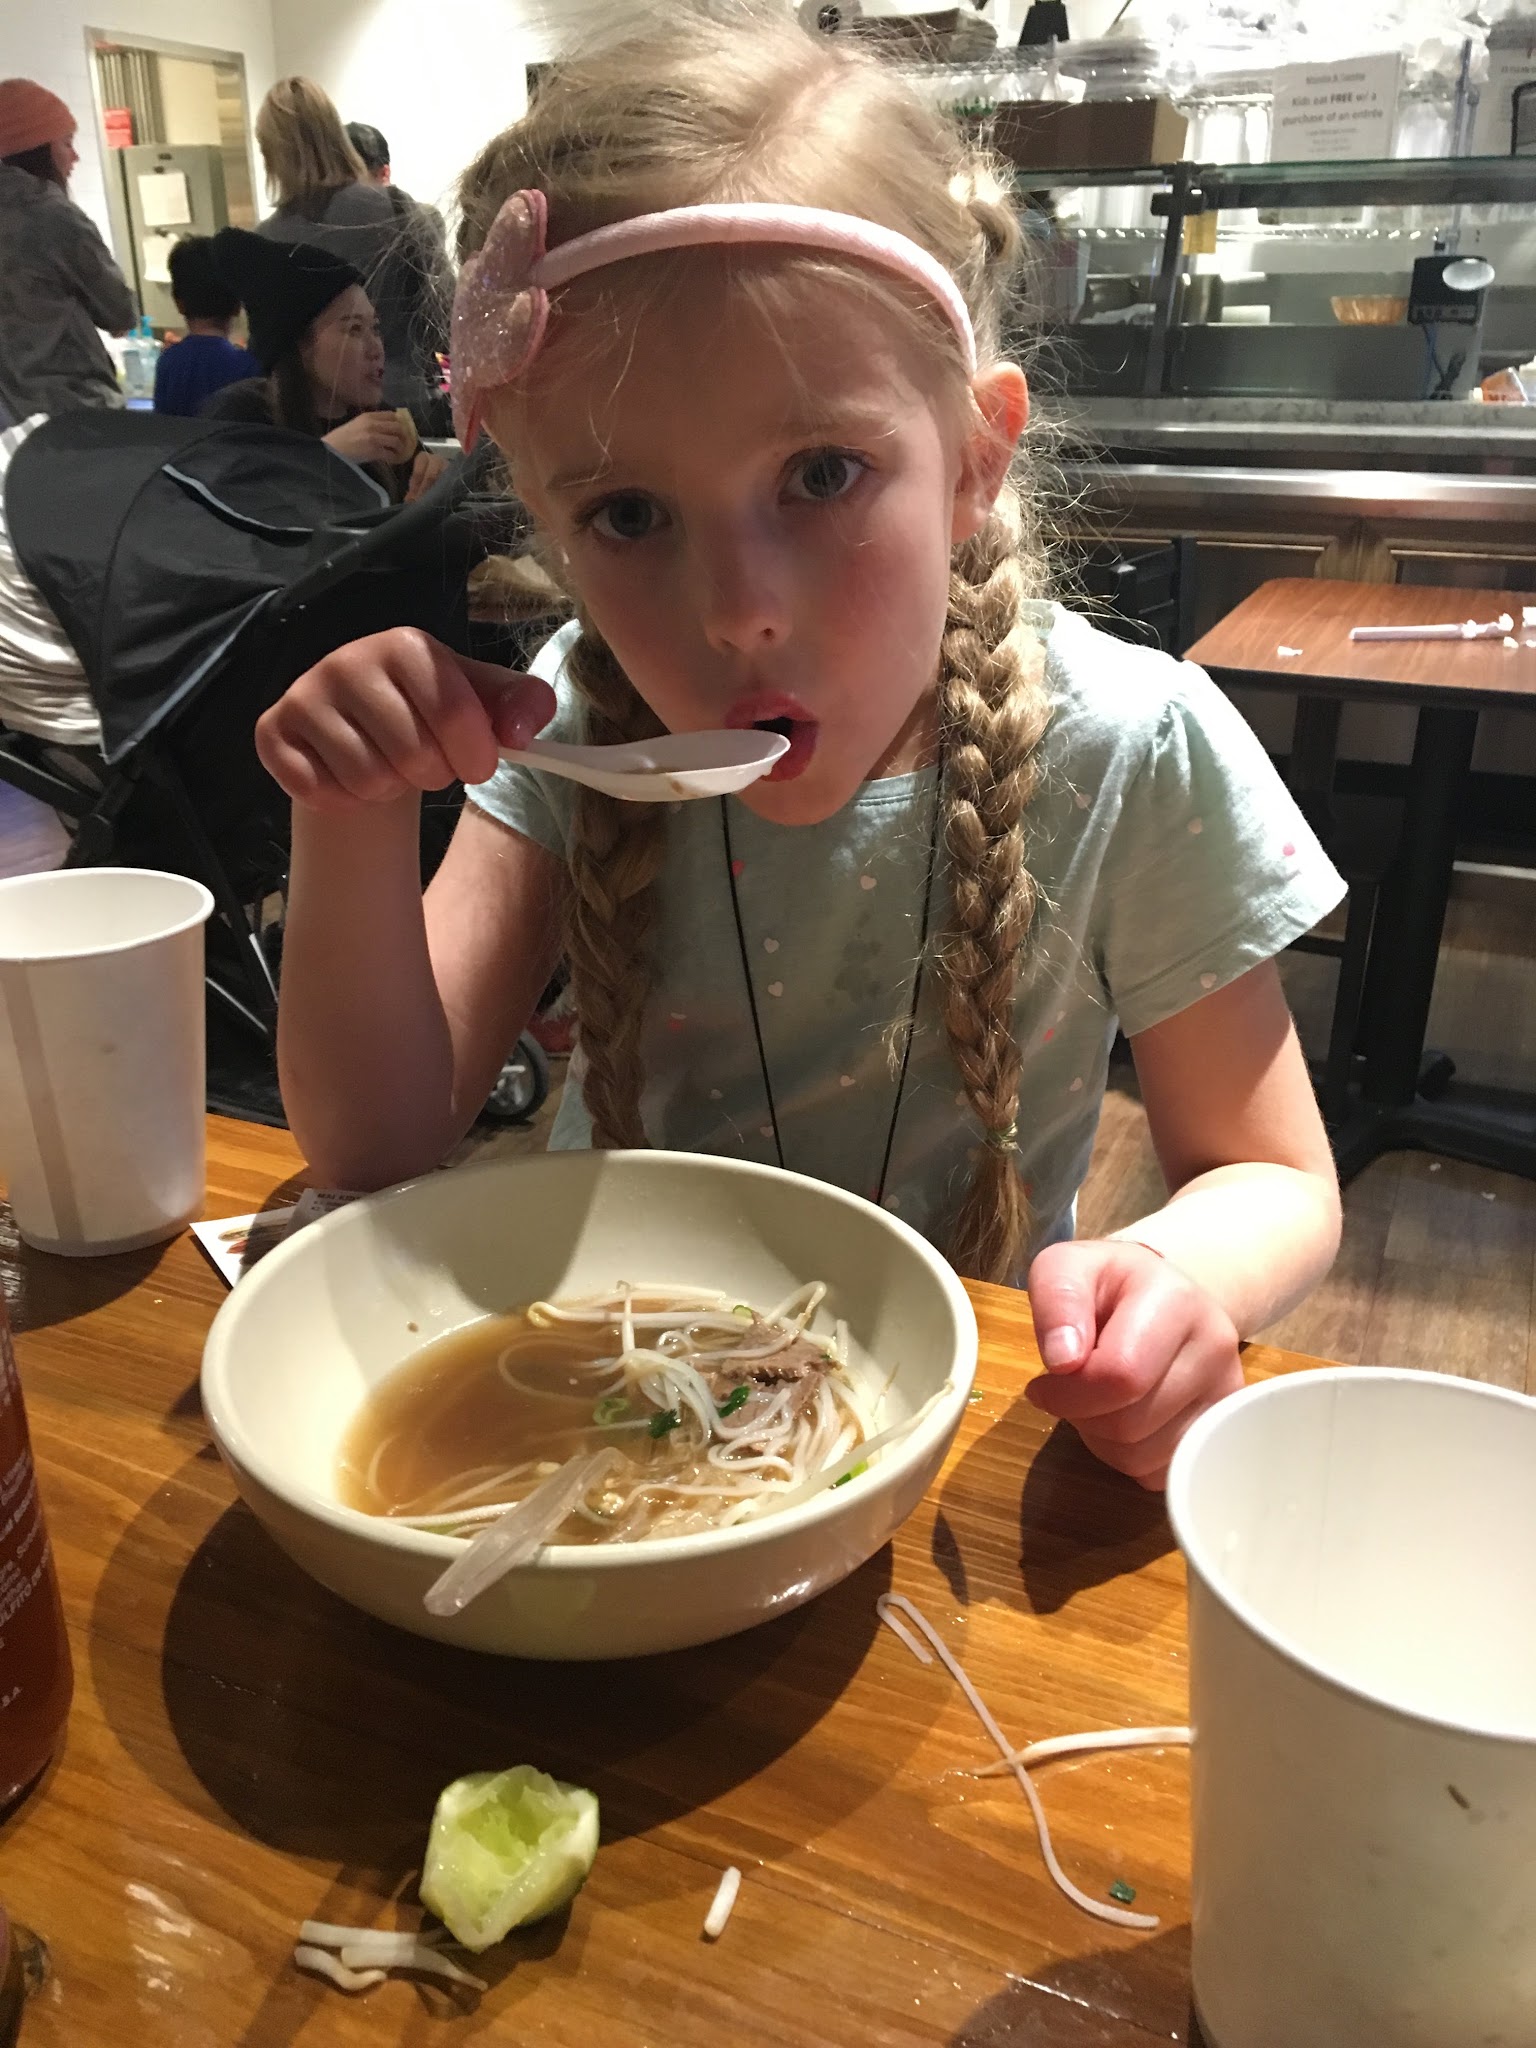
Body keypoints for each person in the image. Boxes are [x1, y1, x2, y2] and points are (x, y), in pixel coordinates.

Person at [254, 6, 1345, 1490]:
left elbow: (1271, 1171)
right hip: (589, 1408)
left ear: (973, 459)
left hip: (921, 1441)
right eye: (627, 515)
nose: (737, 612)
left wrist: (1175, 1278)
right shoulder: (580, 718)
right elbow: (374, 1140)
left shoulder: (1127, 750)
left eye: (821, 474)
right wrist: (353, 812)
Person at [254, 78, 451, 425]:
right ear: (335, 135)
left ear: (270, 152)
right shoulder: (400, 211)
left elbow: (267, 351)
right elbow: (446, 317)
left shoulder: (264, 242)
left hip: (308, 421)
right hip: (401, 409)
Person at [202, 229, 443, 503]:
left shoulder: (381, 421)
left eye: (375, 328)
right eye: (354, 329)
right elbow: (227, 512)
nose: (376, 347)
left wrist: (433, 487)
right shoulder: (242, 415)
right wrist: (328, 457)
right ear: (298, 344)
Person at [0, 79, 136, 422]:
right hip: (71, 414)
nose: (75, 157)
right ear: (35, 149)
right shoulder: (50, 214)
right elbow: (119, 312)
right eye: (66, 143)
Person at [152, 235, 256, 417]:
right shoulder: (247, 366)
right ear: (238, 305)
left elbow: (162, 423)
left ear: (178, 303)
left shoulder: (168, 362)